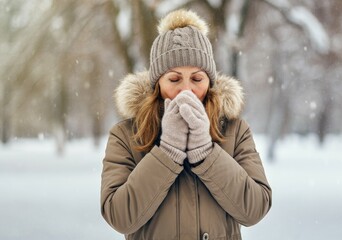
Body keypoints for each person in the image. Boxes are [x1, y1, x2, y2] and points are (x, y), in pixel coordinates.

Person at [100, 9, 272, 240]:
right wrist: (167, 152)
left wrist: (206, 154)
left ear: (209, 81)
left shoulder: (234, 130)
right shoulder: (126, 135)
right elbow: (119, 216)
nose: (186, 90)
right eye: (174, 79)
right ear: (157, 83)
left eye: (197, 79)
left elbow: (255, 209)